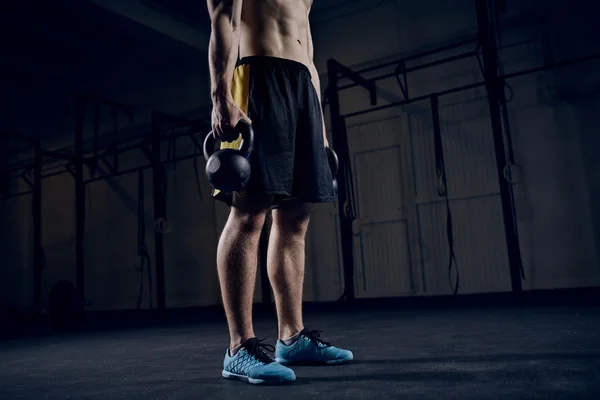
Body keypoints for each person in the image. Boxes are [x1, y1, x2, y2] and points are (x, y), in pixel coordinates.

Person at [206, 0, 353, 385]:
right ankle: (239, 348)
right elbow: (225, 20)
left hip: (302, 86)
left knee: (295, 219)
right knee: (248, 213)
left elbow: (308, 46)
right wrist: (221, 95)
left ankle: (292, 337)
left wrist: (318, 127)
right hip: (259, 76)